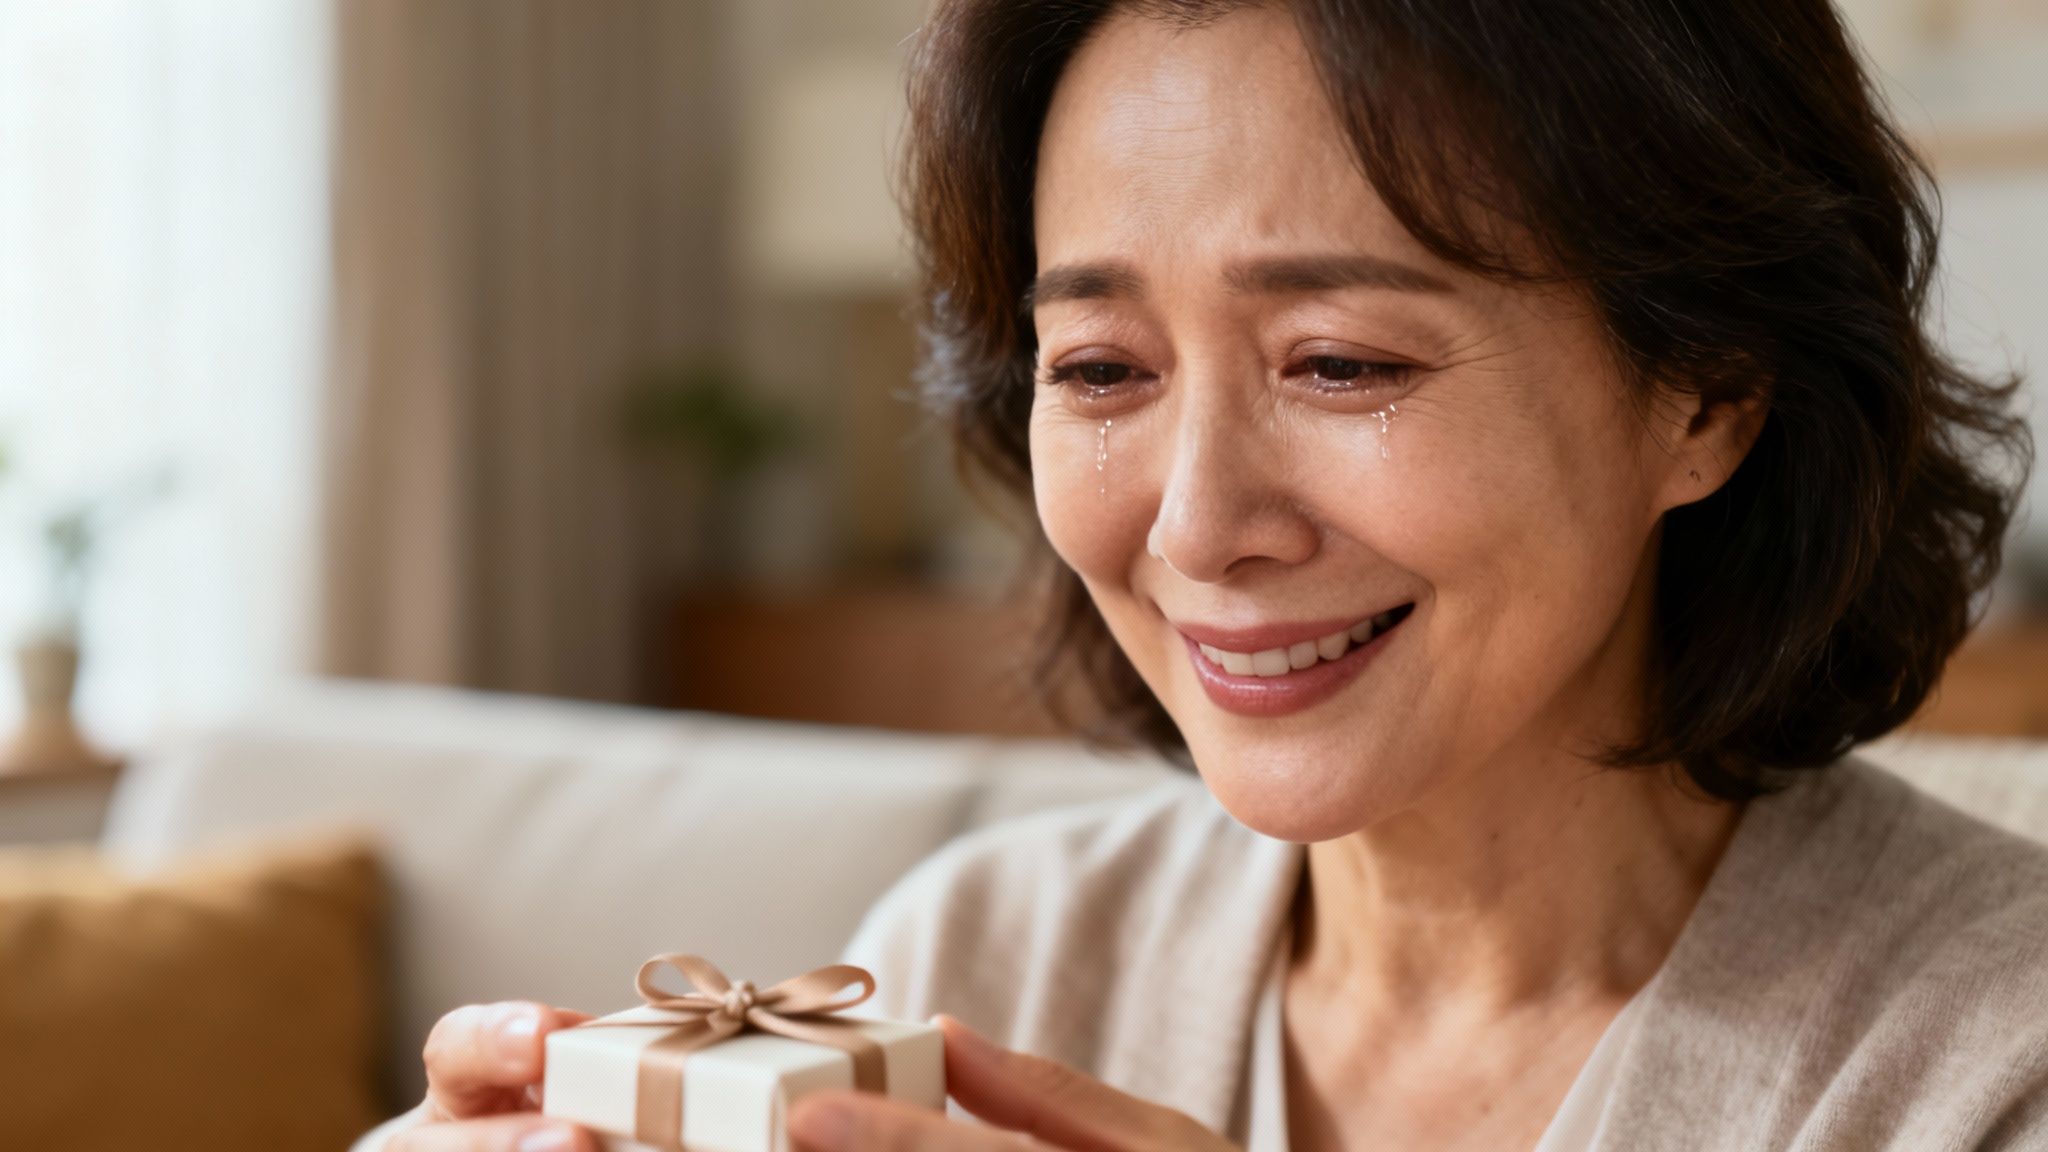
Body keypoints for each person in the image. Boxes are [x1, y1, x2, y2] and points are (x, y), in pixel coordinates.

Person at [371, 1, 2048, 1149]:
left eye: (1341, 363)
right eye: (1101, 371)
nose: (1193, 525)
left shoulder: (1988, 1061)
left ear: (1710, 392)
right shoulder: (990, 958)